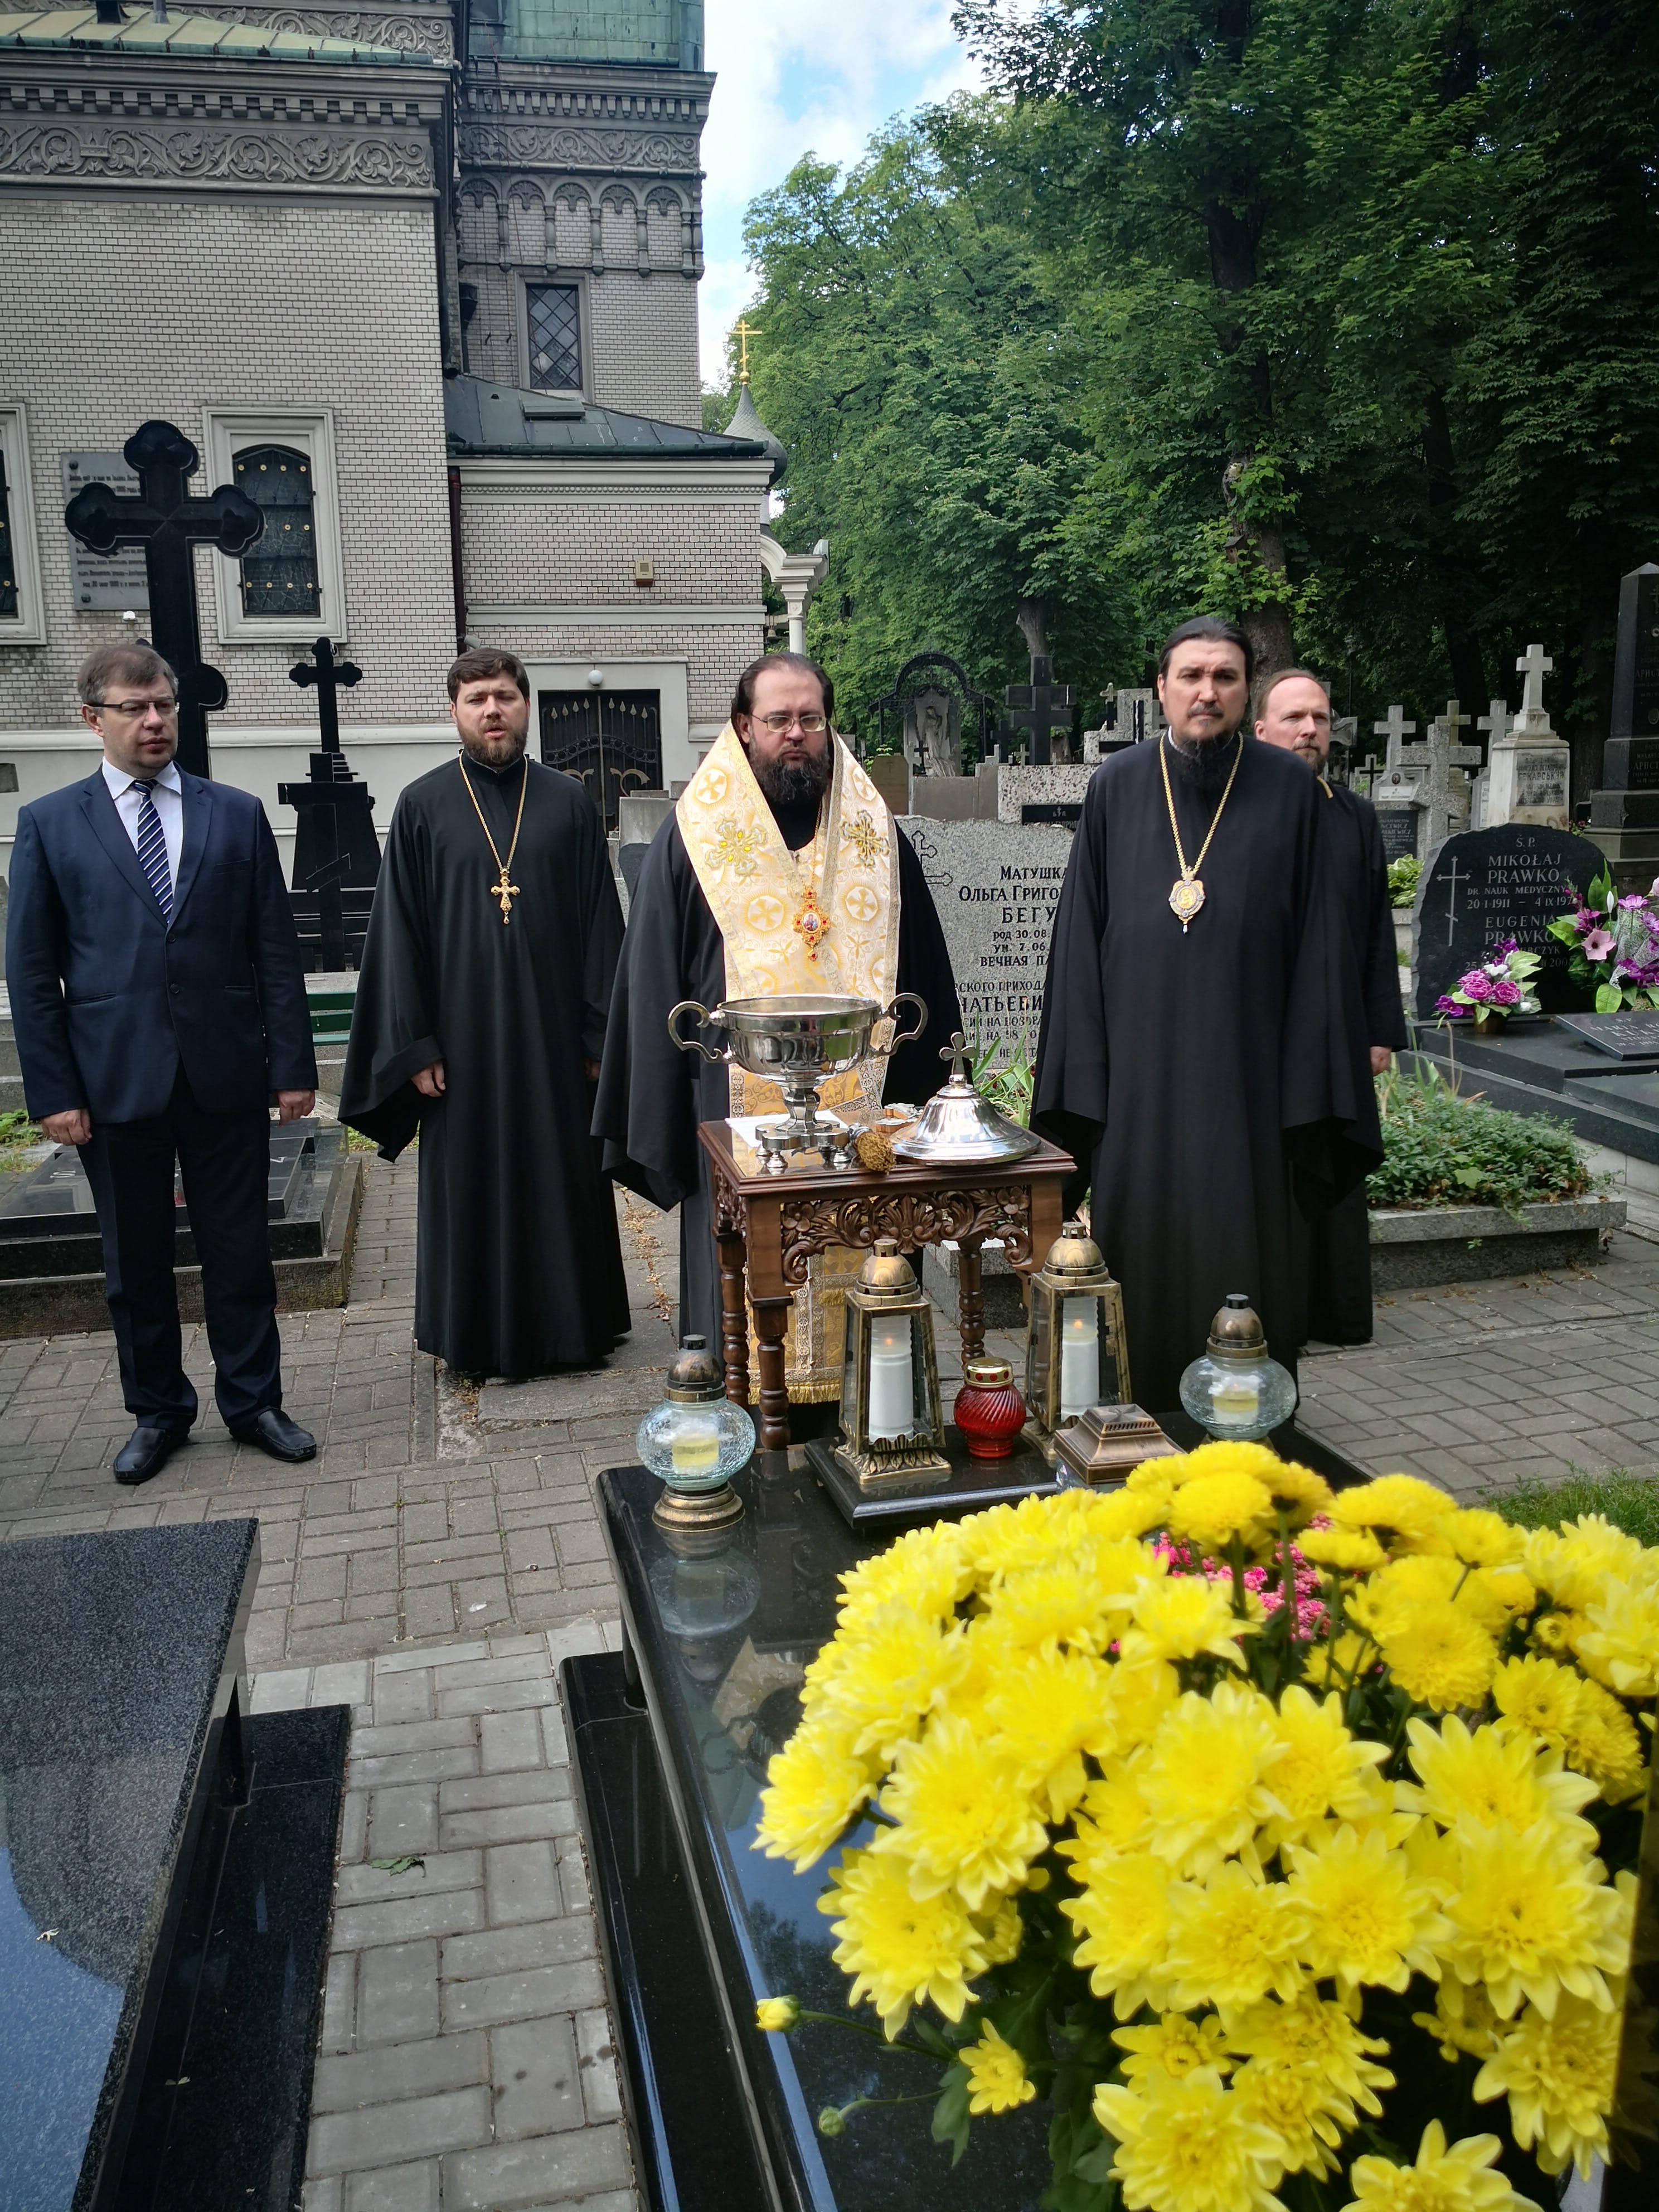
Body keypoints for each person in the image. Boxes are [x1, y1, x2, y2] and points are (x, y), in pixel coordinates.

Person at [1031, 617, 1380, 1417]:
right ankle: (1138, 1427)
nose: (1207, 692)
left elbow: (1322, 947)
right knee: (1139, 1259)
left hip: (1254, 1084)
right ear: (1162, 687)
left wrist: (1313, 1085)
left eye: (1225, 677)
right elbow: (1079, 943)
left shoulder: (1290, 789)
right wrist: (1085, 1084)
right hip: (1139, 1086)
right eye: (1191, 675)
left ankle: (1252, 1430)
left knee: (1251, 1255)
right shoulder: (1118, 785)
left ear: (1246, 691)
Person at [594, 652, 962, 1400]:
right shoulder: (695, 835)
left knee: (873, 1331)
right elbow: (654, 976)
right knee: (740, 1319)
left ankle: (877, 1414)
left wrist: (928, 1104)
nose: (796, 733)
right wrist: (660, 1108)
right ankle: (747, 1411)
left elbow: (921, 966)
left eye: (811, 719)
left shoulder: (876, 836)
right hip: (731, 1107)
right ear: (743, 726)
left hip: (863, 1114)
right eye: (779, 719)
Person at [6, 644, 319, 1485]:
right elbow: (31, 973)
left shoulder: (235, 814)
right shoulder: (50, 824)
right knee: (135, 1262)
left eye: (165, 706)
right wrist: (54, 1091)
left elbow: (275, 951)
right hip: (114, 1082)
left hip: (224, 1073)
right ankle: (158, 1411)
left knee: (240, 1252)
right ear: (93, 719)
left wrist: (292, 1066)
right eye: (134, 708)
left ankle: (253, 1402)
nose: (154, 722)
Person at [339, 649, 629, 1377]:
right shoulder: (421, 805)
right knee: (471, 1184)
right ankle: (473, 1334)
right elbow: (398, 934)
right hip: (461, 1045)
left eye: (504, 696)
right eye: (476, 699)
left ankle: (574, 1329)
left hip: (556, 1039)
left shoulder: (568, 801)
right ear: (455, 712)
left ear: (526, 705)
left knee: (562, 1175)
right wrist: (415, 1044)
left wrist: (600, 1035)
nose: (492, 710)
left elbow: (601, 925)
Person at [1256, 667, 1406, 1342]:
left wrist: (1379, 1030)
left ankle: (1333, 1312)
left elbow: (1376, 929)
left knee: (1332, 1155)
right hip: (1263, 1025)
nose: (1309, 729)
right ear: (1262, 728)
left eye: (1319, 717)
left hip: (1338, 1024)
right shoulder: (1239, 816)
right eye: (1294, 717)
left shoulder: (1355, 816)